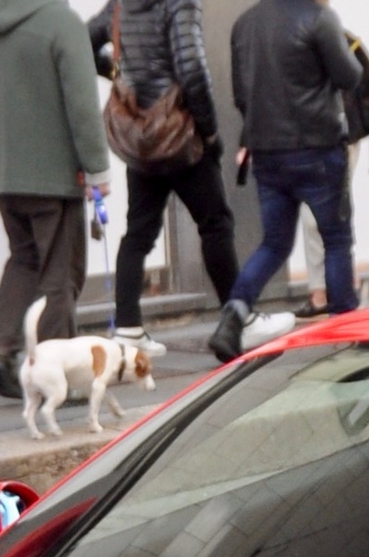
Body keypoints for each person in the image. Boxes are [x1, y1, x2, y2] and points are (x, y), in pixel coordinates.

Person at [0, 0, 112, 400]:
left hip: (6, 179)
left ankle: (1, 349)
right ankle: (61, 372)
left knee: (24, 259)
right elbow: (81, 103)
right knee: (61, 276)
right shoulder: (61, 23)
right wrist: (96, 168)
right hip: (54, 178)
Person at [211, 0, 364, 363]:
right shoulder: (319, 17)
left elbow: (239, 95)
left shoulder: (244, 24)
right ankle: (346, 329)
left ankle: (234, 313)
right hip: (318, 148)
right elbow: (350, 76)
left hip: (267, 152)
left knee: (275, 243)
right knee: (336, 239)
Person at [87, 0, 238, 342]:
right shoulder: (180, 3)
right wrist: (210, 131)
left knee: (138, 234)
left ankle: (127, 327)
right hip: (180, 135)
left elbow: (83, 41)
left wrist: (115, 71)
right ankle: (236, 317)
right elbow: (192, 68)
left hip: (141, 138)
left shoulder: (120, 5)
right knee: (216, 224)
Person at [303, 29, 369, 318]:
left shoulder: (345, 41)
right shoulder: (294, 40)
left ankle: (333, 289)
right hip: (307, 140)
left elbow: (368, 89)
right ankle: (325, 291)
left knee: (325, 213)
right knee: (316, 216)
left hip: (341, 139)